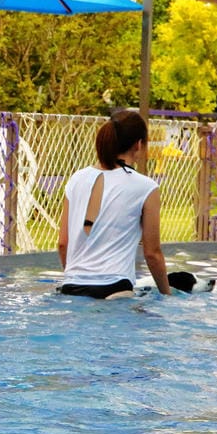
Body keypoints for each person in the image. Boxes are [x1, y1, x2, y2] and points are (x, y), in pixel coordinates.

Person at [57, 110, 172, 298]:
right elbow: (152, 253)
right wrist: (167, 294)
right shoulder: (146, 187)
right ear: (139, 144)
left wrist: (75, 277)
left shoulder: (76, 179)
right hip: (114, 289)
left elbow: (63, 244)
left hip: (71, 287)